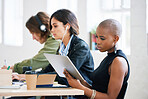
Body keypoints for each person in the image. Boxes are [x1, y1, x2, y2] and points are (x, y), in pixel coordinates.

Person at [64, 19, 130, 99]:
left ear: (115, 39)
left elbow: (111, 97)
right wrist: (80, 82)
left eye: (102, 38)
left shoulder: (118, 62)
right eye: (97, 37)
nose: (97, 41)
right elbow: (97, 89)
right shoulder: (109, 58)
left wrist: (81, 88)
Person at [1, 12, 60, 77]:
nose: (33, 38)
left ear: (42, 29)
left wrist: (14, 68)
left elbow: (36, 62)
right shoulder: (51, 41)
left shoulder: (55, 41)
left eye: (33, 33)